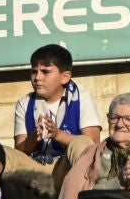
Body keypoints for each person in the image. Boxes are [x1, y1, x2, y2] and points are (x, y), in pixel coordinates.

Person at [5, 43, 101, 186]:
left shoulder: (82, 98)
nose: (37, 77)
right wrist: (34, 138)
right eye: (34, 71)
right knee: (0, 153)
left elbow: (93, 145)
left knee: (82, 142)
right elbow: (19, 151)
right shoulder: (24, 103)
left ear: (65, 77)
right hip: (35, 169)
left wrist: (57, 134)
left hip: (66, 168)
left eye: (45, 71)